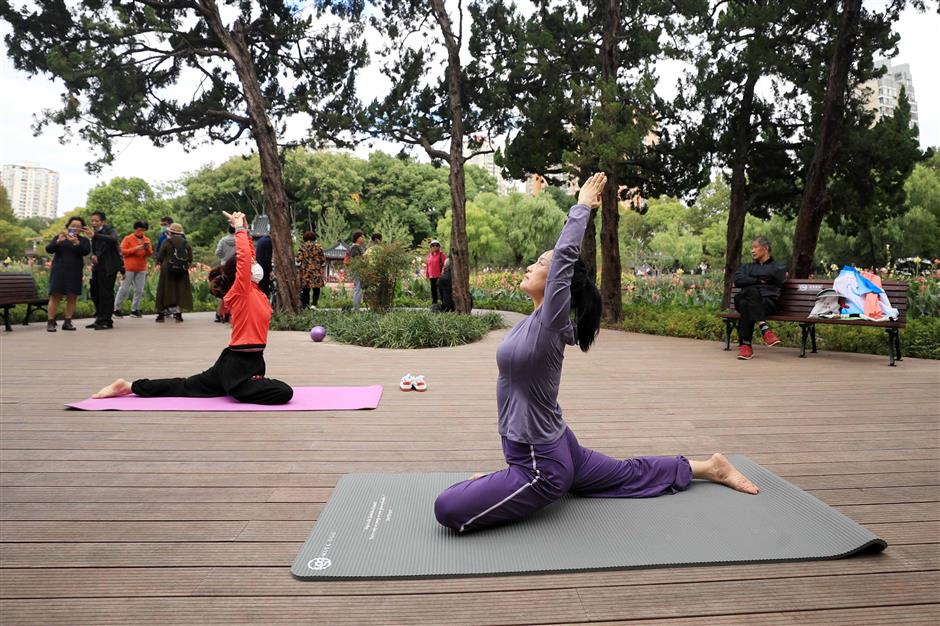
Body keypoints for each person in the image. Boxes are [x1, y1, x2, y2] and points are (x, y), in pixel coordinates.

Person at [433, 173, 759, 534]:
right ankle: (708, 466)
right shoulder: (537, 320)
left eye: (541, 263)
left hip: (541, 465)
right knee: (627, 473)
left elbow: (565, 258)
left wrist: (583, 206)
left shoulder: (551, 322)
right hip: (558, 445)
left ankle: (516, 480)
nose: (530, 266)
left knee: (447, 508)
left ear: (559, 278)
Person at [92, 211, 293, 405]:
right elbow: (243, 257)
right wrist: (239, 230)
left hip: (241, 361)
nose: (256, 264)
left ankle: (129, 386)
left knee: (185, 386)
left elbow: (248, 254)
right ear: (241, 272)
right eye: (252, 262)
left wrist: (245, 229)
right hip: (239, 365)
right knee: (284, 392)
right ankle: (130, 386)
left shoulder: (256, 291)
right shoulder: (242, 291)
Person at [733, 236, 787, 360]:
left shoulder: (778, 266)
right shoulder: (747, 267)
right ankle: (764, 327)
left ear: (766, 248)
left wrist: (749, 280)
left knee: (745, 304)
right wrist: (758, 280)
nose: (752, 251)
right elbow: (738, 280)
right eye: (751, 248)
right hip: (749, 298)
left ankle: (746, 346)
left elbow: (776, 277)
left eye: (755, 247)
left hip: (768, 303)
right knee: (751, 292)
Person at [45, 216, 91, 332]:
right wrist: (58, 241)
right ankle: (50, 322)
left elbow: (86, 252)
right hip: (59, 271)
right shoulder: (60, 237)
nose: (75, 228)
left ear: (82, 229)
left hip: (74, 271)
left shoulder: (83, 241)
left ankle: (68, 321)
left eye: (78, 227)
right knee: (55, 295)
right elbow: (49, 249)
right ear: (68, 226)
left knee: (72, 296)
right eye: (73, 226)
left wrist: (76, 242)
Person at [84, 211, 122, 330]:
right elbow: (95, 250)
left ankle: (106, 321)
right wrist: (93, 256)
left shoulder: (110, 230)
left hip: (109, 267)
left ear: (103, 222)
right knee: (96, 293)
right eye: (92, 220)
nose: (93, 223)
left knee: (106, 294)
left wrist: (95, 236)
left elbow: (113, 240)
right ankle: (99, 319)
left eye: (96, 221)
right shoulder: (94, 234)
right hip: (98, 267)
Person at [154, 223, 193, 323]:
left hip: (168, 269)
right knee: (180, 290)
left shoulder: (167, 241)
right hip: (182, 270)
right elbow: (190, 257)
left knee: (164, 290)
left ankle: (161, 315)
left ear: (170, 232)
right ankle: (179, 315)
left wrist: (158, 262)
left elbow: (160, 255)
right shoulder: (185, 242)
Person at [113, 220, 153, 318]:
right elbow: (122, 251)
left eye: (143, 230)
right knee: (124, 289)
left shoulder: (147, 240)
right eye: (139, 229)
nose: (141, 231)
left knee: (139, 290)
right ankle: (116, 309)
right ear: (135, 229)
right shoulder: (128, 238)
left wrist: (147, 248)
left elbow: (150, 254)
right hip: (129, 268)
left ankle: (135, 310)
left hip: (141, 268)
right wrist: (136, 248)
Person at [297, 230, 326, 309]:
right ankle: (314, 304)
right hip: (316, 270)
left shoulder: (302, 247)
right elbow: (323, 259)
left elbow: (298, 259)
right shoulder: (318, 247)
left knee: (306, 288)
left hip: (305, 271)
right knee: (316, 288)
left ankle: (305, 305)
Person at [214, 227, 237, 322]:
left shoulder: (223, 240)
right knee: (234, 289)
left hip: (224, 267)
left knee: (223, 290)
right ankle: (232, 312)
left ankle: (220, 313)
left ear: (228, 230)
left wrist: (224, 258)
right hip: (236, 267)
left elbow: (217, 253)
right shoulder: (239, 240)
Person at [348, 230, 367, 311]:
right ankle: (356, 308)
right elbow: (356, 260)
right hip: (357, 270)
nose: (363, 239)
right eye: (362, 237)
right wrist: (365, 258)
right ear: (357, 238)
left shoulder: (358, 247)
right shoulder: (355, 247)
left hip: (359, 270)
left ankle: (357, 307)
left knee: (359, 289)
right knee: (358, 289)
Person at [425, 240, 446, 306]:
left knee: (441, 290)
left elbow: (445, 265)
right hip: (432, 276)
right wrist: (427, 274)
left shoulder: (441, 255)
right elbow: (427, 266)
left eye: (436, 245)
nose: (435, 247)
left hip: (439, 276)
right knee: (433, 290)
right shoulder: (429, 256)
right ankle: (434, 303)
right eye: (433, 245)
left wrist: (443, 273)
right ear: (430, 247)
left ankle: (444, 303)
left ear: (439, 247)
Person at [254, 231, 273, 297]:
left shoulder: (261, 239)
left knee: (260, 287)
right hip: (264, 268)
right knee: (265, 287)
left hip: (258, 266)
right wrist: (270, 270)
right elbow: (268, 257)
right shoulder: (268, 242)